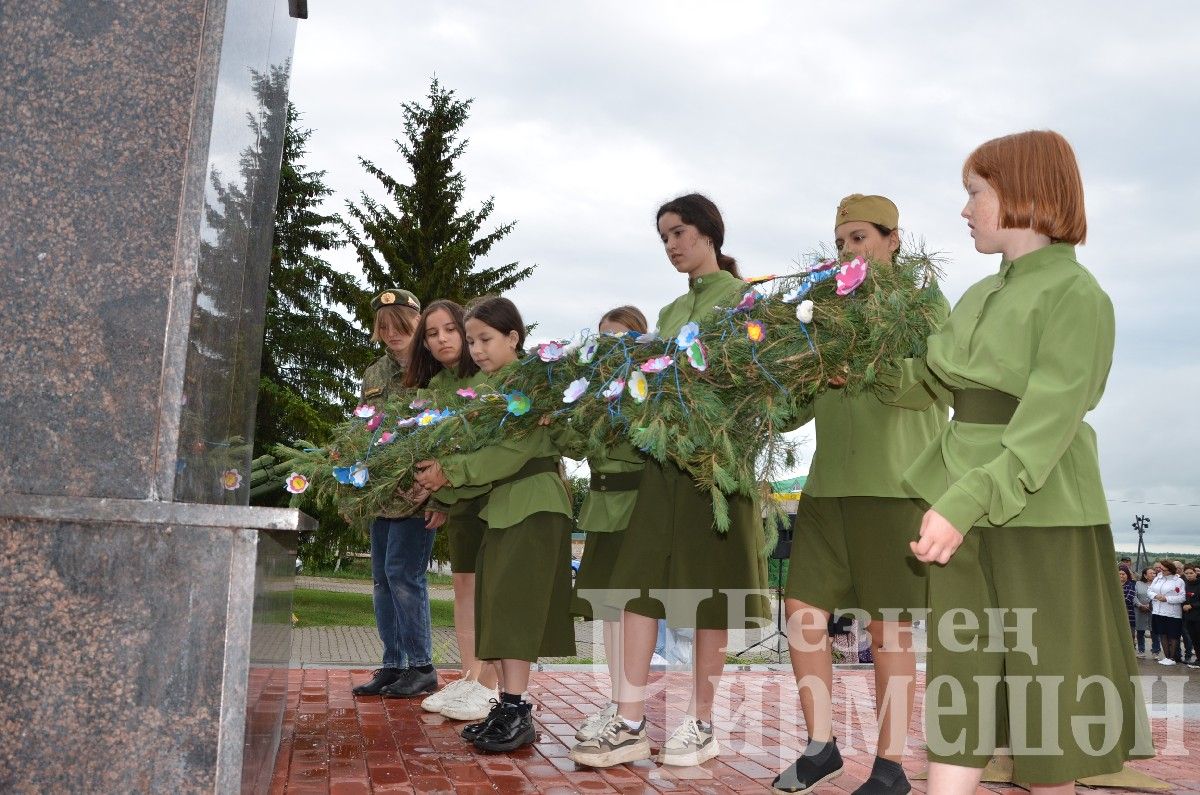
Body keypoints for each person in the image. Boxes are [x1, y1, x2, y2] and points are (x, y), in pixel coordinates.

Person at [881, 130, 1150, 789]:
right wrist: (839, 358)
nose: (965, 209)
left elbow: (1043, 428)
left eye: (976, 192)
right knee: (960, 685)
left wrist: (963, 502)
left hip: (1041, 512)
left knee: (1047, 702)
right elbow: (928, 381)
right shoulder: (977, 296)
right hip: (959, 506)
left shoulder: (1078, 298)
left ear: (1025, 192)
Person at [570, 193, 770, 769]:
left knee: (705, 597)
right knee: (639, 587)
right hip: (662, 471)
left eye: (679, 232)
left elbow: (745, 384)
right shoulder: (667, 316)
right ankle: (629, 720)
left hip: (715, 469)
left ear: (709, 232)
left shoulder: (742, 301)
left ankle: (701, 722)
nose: (672, 245)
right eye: (664, 238)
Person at [772, 194, 948, 795]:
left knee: (888, 630)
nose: (849, 249)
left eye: (861, 238)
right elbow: (795, 402)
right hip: (827, 488)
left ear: (894, 238)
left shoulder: (923, 304)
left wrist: (865, 371)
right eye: (841, 240)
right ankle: (821, 745)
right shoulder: (822, 307)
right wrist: (773, 384)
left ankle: (891, 765)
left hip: (896, 486)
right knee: (801, 613)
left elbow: (935, 383)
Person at [414, 296, 576, 753]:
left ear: (513, 337)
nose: (476, 350)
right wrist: (436, 485)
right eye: (471, 341)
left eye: (485, 339)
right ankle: (508, 706)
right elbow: (481, 467)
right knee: (498, 608)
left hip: (533, 504)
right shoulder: (492, 390)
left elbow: (509, 454)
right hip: (504, 506)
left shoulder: (527, 386)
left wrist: (449, 474)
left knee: (514, 608)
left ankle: (516, 708)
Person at [395, 299, 501, 722]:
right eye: (433, 333)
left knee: (491, 585)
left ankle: (489, 686)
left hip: (493, 494)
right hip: (460, 499)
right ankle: (470, 675)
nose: (442, 339)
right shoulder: (432, 390)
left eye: (450, 330)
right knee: (464, 584)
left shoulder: (490, 376)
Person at [556, 305, 651, 745]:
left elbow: (641, 441)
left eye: (619, 338)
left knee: (631, 609)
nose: (609, 347)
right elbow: (576, 444)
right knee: (609, 612)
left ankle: (628, 706)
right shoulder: (594, 391)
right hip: (601, 505)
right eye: (603, 338)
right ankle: (616, 702)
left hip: (636, 507)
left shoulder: (647, 388)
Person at [351, 289, 441, 699]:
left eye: (399, 325)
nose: (391, 334)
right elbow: (359, 431)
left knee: (404, 575)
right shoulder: (372, 374)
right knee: (382, 580)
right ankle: (393, 664)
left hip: (420, 490)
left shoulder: (436, 371)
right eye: (383, 327)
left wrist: (441, 498)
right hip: (381, 492)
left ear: (416, 322)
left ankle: (421, 666)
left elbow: (447, 436)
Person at [1148, 558, 1185, 666]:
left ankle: (1173, 658)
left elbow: (1182, 597)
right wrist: (1155, 596)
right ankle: (1167, 656)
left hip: (1172, 613)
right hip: (1158, 611)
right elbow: (1149, 590)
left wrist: (1167, 599)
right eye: (1160, 569)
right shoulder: (1158, 578)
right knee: (1162, 634)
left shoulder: (1178, 581)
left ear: (1170, 570)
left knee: (1173, 636)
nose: (1161, 571)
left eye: (1163, 570)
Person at [1134, 566, 1157, 657]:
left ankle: (1155, 651)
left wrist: (1150, 605)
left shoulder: (1157, 584)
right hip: (1140, 610)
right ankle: (1141, 651)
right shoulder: (1138, 583)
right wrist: (1139, 605)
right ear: (1145, 575)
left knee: (1154, 631)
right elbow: (1134, 596)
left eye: (1154, 573)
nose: (1153, 575)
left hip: (1154, 610)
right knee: (1140, 631)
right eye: (1151, 573)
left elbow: (1159, 595)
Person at [1182, 563, 1200, 669]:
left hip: (1198, 616)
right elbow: (1181, 597)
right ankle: (1198, 659)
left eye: (1191, 573)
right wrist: (1184, 605)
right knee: (1194, 639)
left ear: (1195, 573)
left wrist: (1192, 606)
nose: (1189, 575)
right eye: (1187, 573)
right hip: (1188, 617)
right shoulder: (1184, 584)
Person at [1119, 567, 1137, 647]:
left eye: (1123, 574)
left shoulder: (1131, 585)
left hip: (1129, 614)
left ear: (1127, 575)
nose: (1121, 576)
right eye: (1119, 574)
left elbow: (1128, 599)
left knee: (1130, 635)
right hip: (1117, 614)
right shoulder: (1114, 586)